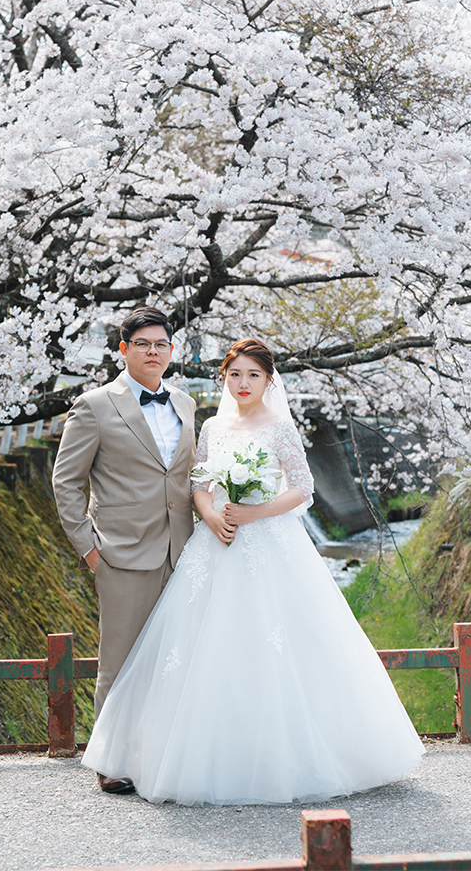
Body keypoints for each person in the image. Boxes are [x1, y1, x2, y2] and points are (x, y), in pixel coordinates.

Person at [81, 337, 423, 806]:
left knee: (273, 645)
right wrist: (213, 514)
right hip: (215, 544)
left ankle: (282, 755)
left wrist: (253, 513)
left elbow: (302, 488)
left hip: (269, 544)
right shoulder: (212, 426)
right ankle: (181, 754)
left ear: (268, 380)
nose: (243, 384)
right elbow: (197, 483)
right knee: (202, 649)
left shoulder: (280, 426)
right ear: (224, 377)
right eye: (235, 374)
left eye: (254, 375)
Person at [51, 305, 199, 794]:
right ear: (123, 350)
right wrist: (89, 549)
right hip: (120, 552)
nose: (153, 352)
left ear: (171, 351)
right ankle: (112, 761)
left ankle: (158, 752)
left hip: (183, 550)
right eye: (143, 344)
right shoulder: (95, 405)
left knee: (173, 658)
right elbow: (66, 481)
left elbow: (187, 474)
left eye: (161, 344)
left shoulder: (185, 402)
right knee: (119, 657)